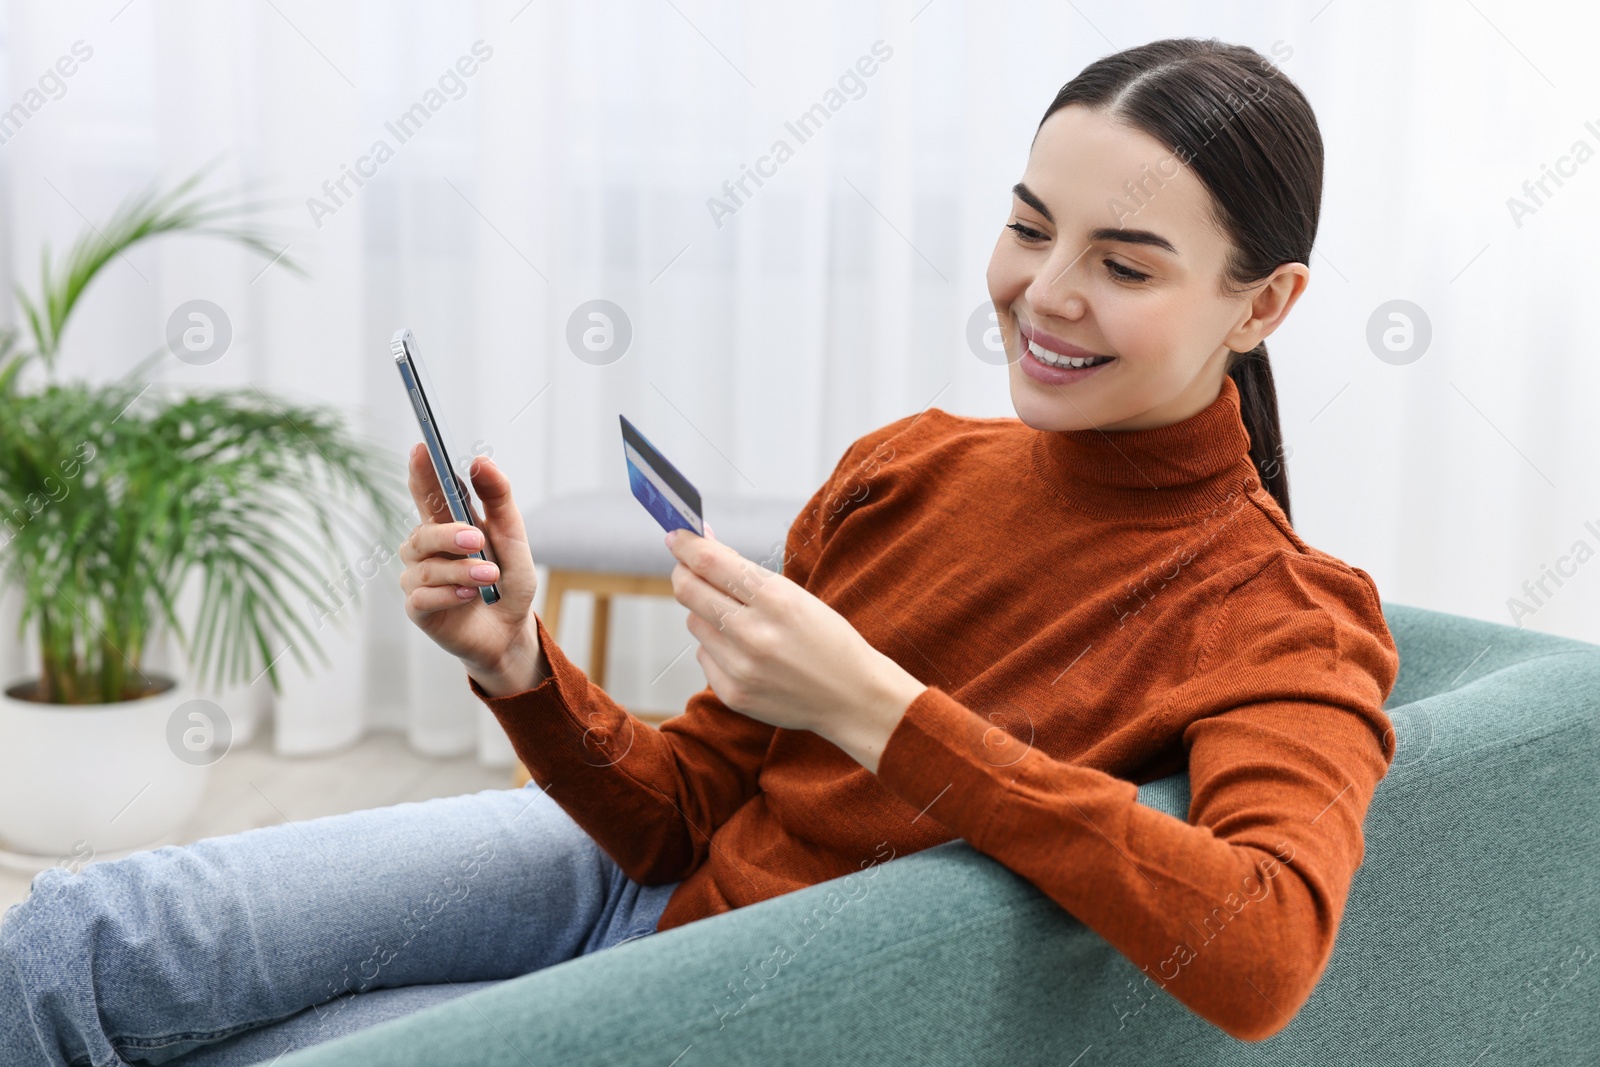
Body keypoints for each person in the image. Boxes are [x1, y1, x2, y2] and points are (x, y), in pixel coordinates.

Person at [0, 37, 1397, 1064]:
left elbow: (1265, 948)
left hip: (739, 1002)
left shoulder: (1285, 615)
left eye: (1126, 264)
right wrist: (521, 670)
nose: (1045, 291)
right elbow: (682, 808)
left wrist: (873, 708)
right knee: (89, 941)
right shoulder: (909, 466)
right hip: (652, 888)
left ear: (1264, 303)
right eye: (1028, 227)